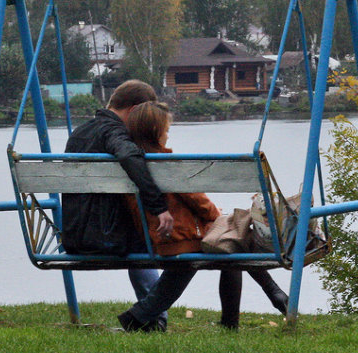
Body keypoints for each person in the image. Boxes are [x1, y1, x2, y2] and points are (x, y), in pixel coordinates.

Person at [121, 101, 289, 331]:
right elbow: (198, 201)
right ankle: (264, 298)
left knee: (229, 242)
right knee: (232, 240)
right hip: (182, 239)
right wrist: (215, 214)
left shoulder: (132, 164)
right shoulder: (166, 163)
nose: (168, 136)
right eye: (167, 130)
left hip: (157, 238)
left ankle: (140, 315)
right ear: (156, 132)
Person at [60, 81, 173, 330]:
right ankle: (153, 316)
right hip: (106, 238)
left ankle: (152, 315)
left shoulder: (80, 132)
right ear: (134, 110)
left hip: (75, 235)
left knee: (143, 233)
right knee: (174, 240)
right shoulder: (114, 132)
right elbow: (127, 154)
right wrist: (159, 207)